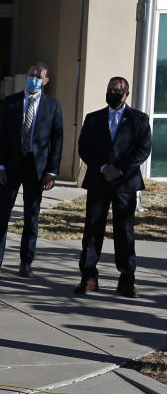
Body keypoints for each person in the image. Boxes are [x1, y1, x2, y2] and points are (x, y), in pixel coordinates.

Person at [75, 76, 151, 297]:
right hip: (99, 181)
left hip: (125, 184)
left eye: (117, 91)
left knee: (124, 231)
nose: (112, 94)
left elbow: (143, 150)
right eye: (110, 90)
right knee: (92, 230)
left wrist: (120, 170)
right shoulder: (93, 118)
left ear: (126, 93)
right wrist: (102, 167)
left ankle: (126, 279)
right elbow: (84, 148)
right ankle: (88, 277)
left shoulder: (138, 119)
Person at [0, 62, 63, 279]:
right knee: (1, 215)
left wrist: (52, 172)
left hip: (36, 168)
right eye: (31, 75)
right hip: (10, 167)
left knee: (32, 217)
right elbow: (0, 137)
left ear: (46, 81)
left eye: (39, 77)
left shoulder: (53, 106)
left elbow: (57, 140)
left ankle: (26, 262)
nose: (34, 79)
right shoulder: (10, 103)